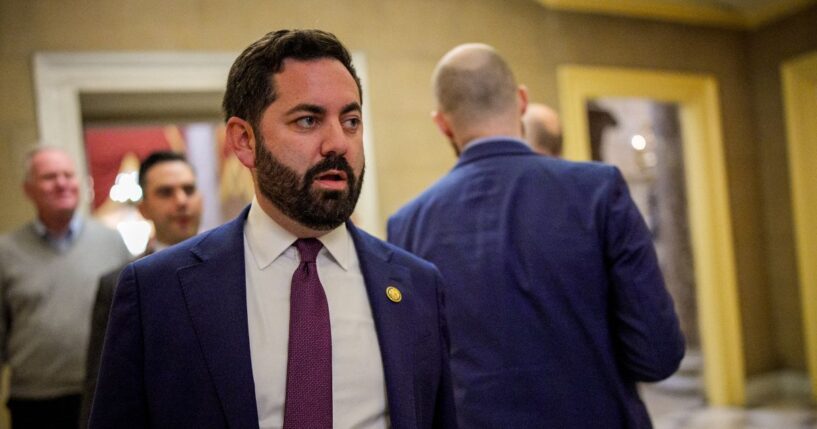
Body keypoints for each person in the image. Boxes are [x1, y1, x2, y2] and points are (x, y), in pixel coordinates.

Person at [89, 29, 456, 429]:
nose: (338, 142)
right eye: (308, 120)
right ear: (245, 141)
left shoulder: (417, 286)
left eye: (350, 121)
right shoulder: (158, 292)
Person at [387, 43, 684, 428]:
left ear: (442, 123)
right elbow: (657, 354)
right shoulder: (598, 191)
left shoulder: (406, 224)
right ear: (522, 100)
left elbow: (417, 380)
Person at [0, 147, 131, 429]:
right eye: (49, 177)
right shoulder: (5, 252)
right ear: (28, 189)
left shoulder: (113, 244)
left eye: (68, 175)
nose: (61, 183)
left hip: (103, 395)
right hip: (34, 403)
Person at [79, 150, 203, 428]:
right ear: (143, 208)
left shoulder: (236, 268)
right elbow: (100, 383)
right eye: (166, 192)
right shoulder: (120, 284)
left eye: (189, 189)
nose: (181, 201)